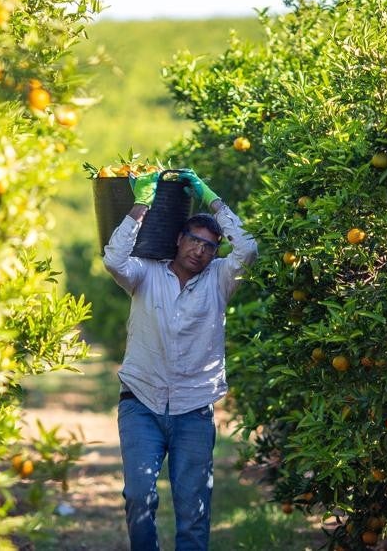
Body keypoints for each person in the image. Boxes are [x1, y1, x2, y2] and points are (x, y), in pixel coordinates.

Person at [102, 169, 258, 551]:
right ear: (178, 239)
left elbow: (249, 249)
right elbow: (113, 259)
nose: (200, 250)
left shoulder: (221, 279)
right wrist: (142, 204)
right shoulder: (145, 274)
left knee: (194, 511)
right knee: (139, 497)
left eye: (209, 245)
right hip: (141, 404)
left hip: (193, 410)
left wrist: (211, 197)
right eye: (194, 240)